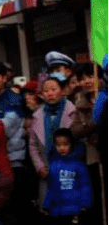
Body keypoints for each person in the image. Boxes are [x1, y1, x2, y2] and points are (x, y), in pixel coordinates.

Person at [42, 128, 93, 225]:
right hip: (59, 208)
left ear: (71, 145)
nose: (62, 148)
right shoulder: (54, 165)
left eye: (65, 144)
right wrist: (47, 205)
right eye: (58, 145)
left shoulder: (78, 164)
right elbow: (52, 188)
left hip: (75, 207)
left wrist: (85, 203)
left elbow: (85, 185)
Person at [29, 73, 76, 206]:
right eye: (46, 90)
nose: (50, 93)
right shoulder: (37, 116)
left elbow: (79, 142)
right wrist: (40, 167)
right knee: (51, 210)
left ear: (62, 91)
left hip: (69, 168)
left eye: (54, 89)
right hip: (47, 170)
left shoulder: (72, 111)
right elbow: (33, 145)